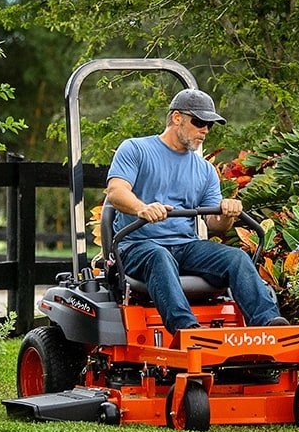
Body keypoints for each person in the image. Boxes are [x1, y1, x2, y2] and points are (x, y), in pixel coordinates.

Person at [104, 88, 288, 329]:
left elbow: (215, 225)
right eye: (199, 121)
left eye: (209, 125)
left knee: (237, 257)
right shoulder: (136, 150)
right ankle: (186, 330)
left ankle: (268, 324)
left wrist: (226, 212)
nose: (205, 130)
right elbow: (116, 192)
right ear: (177, 117)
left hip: (185, 246)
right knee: (160, 256)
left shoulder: (205, 170)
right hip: (138, 246)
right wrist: (142, 208)